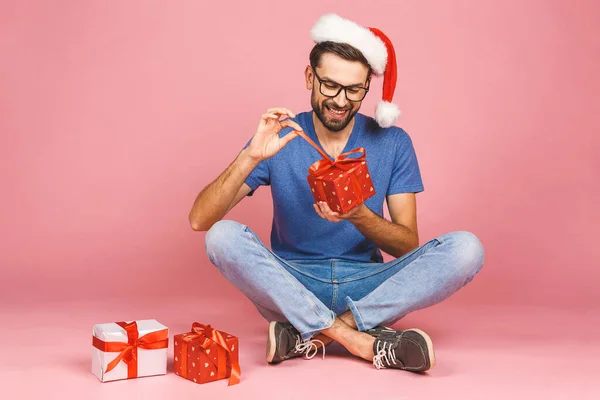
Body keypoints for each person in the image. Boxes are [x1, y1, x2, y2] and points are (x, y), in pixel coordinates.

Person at [188, 14, 484, 372]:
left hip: (368, 285)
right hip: (292, 282)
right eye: (330, 85)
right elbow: (200, 220)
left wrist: (358, 214)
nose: (341, 101)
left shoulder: (393, 142)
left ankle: (311, 335)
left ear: (367, 87)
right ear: (309, 77)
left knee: (467, 249)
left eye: (354, 90)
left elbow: (408, 246)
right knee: (222, 237)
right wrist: (250, 156)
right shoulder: (280, 138)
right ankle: (360, 340)